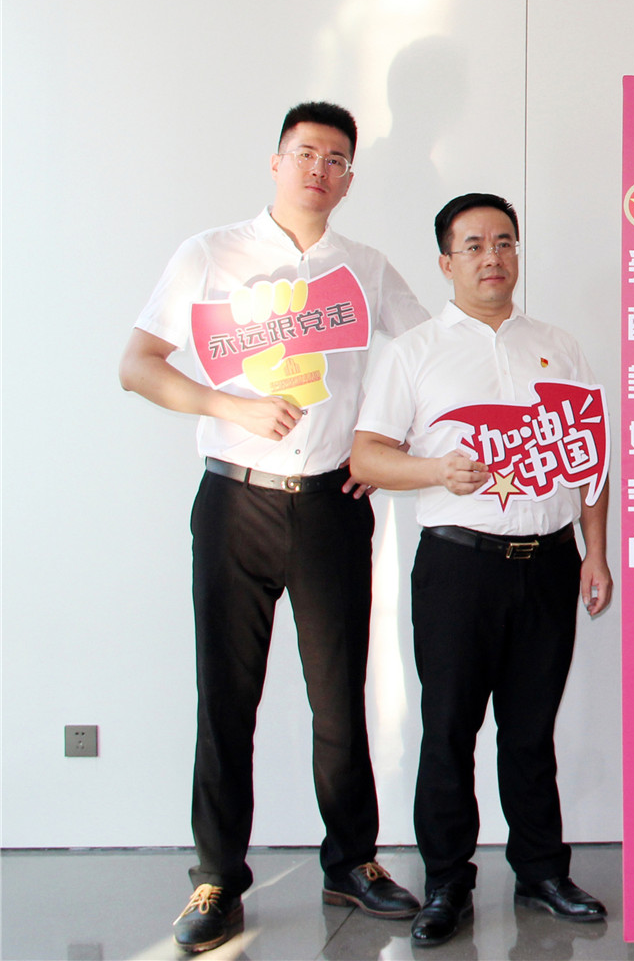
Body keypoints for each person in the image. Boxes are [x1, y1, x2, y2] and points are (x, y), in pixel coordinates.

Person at [121, 102, 427, 952]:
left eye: (336, 159)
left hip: (332, 505)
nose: (318, 169)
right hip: (234, 501)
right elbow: (137, 365)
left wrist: (386, 449)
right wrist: (227, 406)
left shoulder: (365, 267)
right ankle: (217, 876)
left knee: (338, 695)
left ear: (350, 178)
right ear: (275, 161)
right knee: (225, 696)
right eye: (305, 153)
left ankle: (352, 861)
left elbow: (427, 359)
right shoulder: (210, 253)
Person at [351, 193, 612, 946]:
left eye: (504, 242)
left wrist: (594, 551)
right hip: (458, 567)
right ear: (446, 262)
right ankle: (446, 882)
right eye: (473, 245)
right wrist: (437, 469)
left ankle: (542, 871)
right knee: (448, 730)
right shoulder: (414, 352)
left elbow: (591, 462)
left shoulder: (558, 346)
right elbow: (367, 457)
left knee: (530, 731)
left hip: (550, 563)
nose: (492, 257)